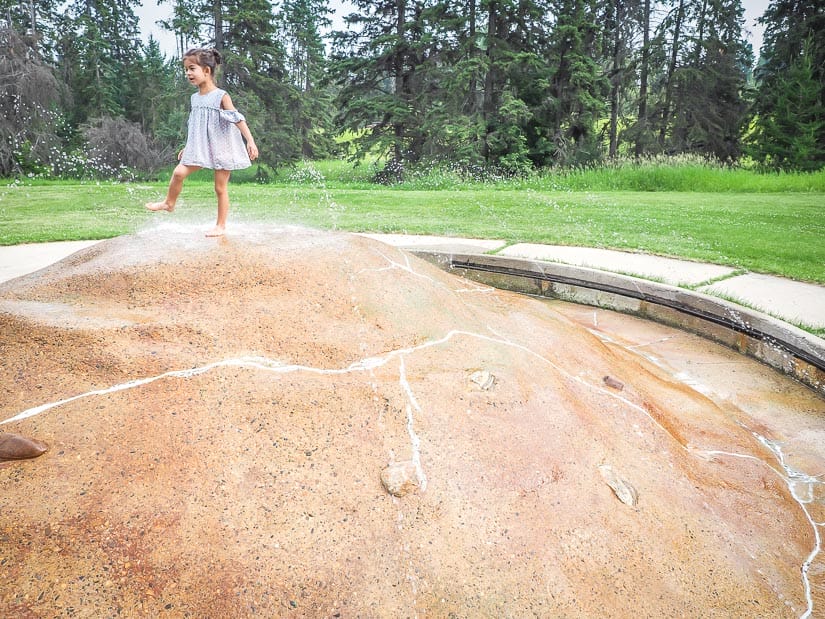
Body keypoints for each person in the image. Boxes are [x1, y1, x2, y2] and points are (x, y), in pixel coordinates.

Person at [146, 48, 258, 237]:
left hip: (222, 147)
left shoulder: (221, 96)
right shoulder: (194, 98)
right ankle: (169, 203)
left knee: (220, 187)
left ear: (206, 70)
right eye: (186, 70)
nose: (188, 73)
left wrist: (250, 141)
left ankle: (220, 226)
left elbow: (237, 118)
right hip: (201, 147)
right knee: (178, 172)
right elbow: (196, 126)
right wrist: (188, 146)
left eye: (192, 69)